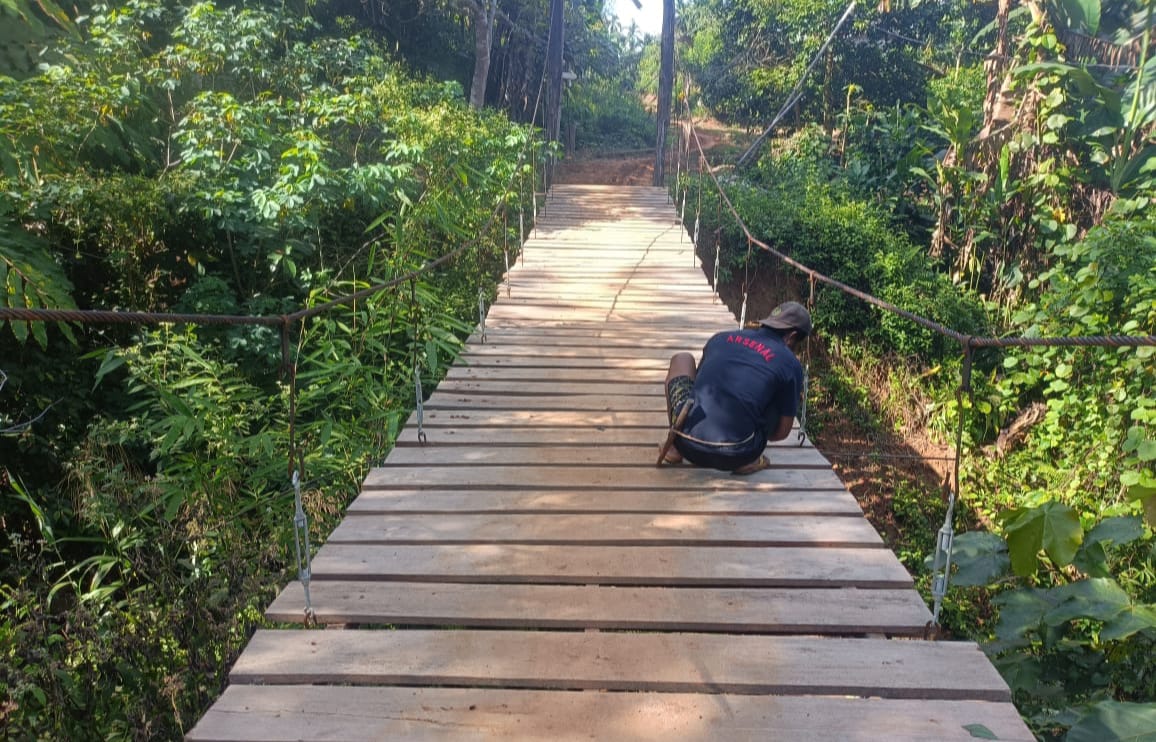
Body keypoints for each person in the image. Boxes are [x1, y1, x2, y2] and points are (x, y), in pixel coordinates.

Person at [660, 301, 810, 474]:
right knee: (776, 392)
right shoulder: (791, 364)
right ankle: (747, 458)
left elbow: (698, 386)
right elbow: (782, 432)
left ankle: (673, 448)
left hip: (685, 442)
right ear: (791, 337)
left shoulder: (720, 338)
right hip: (739, 453)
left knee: (682, 359)